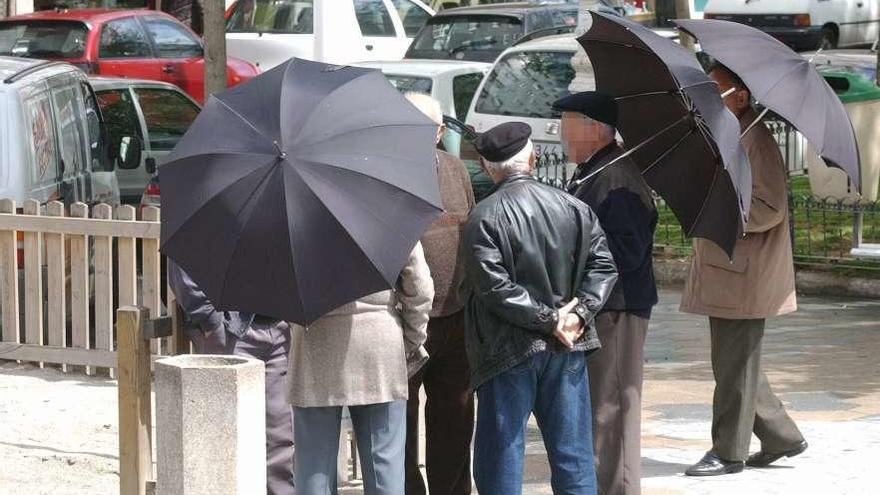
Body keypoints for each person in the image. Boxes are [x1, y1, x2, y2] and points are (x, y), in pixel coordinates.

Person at [461, 121, 618, 494]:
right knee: (573, 455)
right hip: (565, 344)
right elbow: (604, 267)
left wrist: (554, 320)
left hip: (508, 349)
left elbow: (494, 288)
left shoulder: (484, 217)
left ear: (486, 167)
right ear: (532, 158)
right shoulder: (573, 206)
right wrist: (575, 316)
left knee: (501, 454)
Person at [681, 64, 807, 477]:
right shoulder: (732, 132)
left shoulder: (756, 141)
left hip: (745, 274)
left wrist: (719, 214)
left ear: (740, 97)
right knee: (736, 361)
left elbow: (769, 207)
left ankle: (728, 452)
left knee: (734, 364)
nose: (708, 98)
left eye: (716, 91)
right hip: (729, 270)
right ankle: (781, 436)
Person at [554, 91, 658, 495]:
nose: (561, 132)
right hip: (602, 307)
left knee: (612, 410)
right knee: (600, 408)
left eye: (567, 122)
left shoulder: (617, 178)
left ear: (594, 129)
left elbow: (625, 253)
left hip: (617, 309)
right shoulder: (596, 169)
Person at [287, 243, 434, 494]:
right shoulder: (389, 208)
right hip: (379, 346)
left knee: (314, 470)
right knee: (384, 469)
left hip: (314, 344)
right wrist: (410, 340)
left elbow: (279, 291)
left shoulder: (290, 216)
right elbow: (420, 288)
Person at [402, 93, 476, 495]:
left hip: (455, 316)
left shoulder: (455, 169)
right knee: (401, 421)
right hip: (406, 321)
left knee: (455, 417)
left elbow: (469, 229)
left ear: (440, 133)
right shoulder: (388, 172)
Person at [168, 262, 295, 495]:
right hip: (230, 329)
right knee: (227, 433)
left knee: (280, 432)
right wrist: (211, 321)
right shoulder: (203, 224)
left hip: (277, 325)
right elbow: (183, 261)